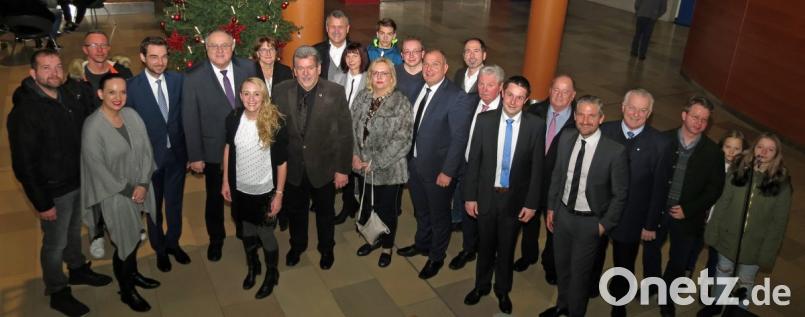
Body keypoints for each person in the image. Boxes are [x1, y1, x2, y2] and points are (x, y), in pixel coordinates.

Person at [7, 48, 111, 317]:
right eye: (46, 68)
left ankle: (76, 269)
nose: (54, 73)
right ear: (33, 73)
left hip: (79, 180)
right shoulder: (26, 112)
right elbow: (24, 165)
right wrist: (42, 203)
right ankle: (57, 290)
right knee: (54, 243)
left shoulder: (70, 94)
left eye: (57, 66)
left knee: (75, 229)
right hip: (54, 191)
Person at [462, 76, 545, 314]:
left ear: (526, 100)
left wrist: (531, 204)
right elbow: (474, 162)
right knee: (485, 245)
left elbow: (537, 169)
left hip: (514, 200)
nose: (513, 101)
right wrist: (470, 196)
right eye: (510, 94)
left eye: (520, 97)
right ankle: (481, 286)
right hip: (487, 197)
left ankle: (503, 290)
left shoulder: (535, 126)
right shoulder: (484, 120)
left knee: (507, 249)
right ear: (502, 93)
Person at [541, 95, 629, 317]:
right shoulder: (567, 137)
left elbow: (620, 195)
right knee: (562, 268)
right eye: (581, 114)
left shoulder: (614, 151)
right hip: (562, 216)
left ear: (601, 118)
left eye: (591, 115)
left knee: (579, 276)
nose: (585, 120)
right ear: (574, 116)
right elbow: (558, 175)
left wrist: (603, 225)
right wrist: (551, 207)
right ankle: (562, 306)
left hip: (590, 223)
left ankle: (575, 312)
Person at [81, 73, 161, 312]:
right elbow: (97, 169)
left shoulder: (131, 115)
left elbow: (147, 151)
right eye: (112, 92)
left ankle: (134, 275)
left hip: (140, 188)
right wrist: (131, 190)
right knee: (125, 244)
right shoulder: (93, 127)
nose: (118, 97)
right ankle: (126, 291)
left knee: (135, 237)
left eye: (122, 92)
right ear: (100, 94)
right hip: (115, 195)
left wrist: (144, 184)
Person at [272, 45, 353, 270]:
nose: (306, 73)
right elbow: (274, 132)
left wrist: (342, 169)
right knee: (297, 212)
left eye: (310, 68)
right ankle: (297, 246)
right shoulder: (280, 91)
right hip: (293, 169)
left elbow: (345, 134)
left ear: (319, 68)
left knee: (325, 214)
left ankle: (326, 249)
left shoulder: (335, 92)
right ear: (294, 70)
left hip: (324, 169)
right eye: (300, 68)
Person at [396, 49, 474, 280]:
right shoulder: (420, 86)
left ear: (446, 68)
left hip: (438, 171)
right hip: (416, 165)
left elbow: (460, 139)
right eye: (426, 64)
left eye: (435, 65)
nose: (429, 69)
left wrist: (448, 172)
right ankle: (422, 243)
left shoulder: (456, 96)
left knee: (440, 216)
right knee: (421, 210)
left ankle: (436, 256)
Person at [183, 30, 256, 262]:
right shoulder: (193, 77)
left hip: (247, 147)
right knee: (214, 198)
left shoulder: (249, 68)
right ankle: (216, 239)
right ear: (206, 48)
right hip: (213, 151)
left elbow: (261, 103)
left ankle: (247, 234)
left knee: (245, 194)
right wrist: (195, 155)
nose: (220, 50)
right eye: (214, 46)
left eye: (224, 45)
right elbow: (190, 118)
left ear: (233, 45)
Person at [648, 97, 725, 317]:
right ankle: (654, 284)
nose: (699, 123)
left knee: (679, 260)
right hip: (658, 210)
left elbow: (714, 189)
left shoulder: (713, 153)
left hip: (688, 217)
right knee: (651, 251)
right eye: (695, 116)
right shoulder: (662, 140)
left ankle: (667, 297)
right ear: (684, 115)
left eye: (704, 119)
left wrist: (689, 209)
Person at [699, 133, 792, 316]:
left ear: (776, 154)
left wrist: (768, 252)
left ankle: (737, 311)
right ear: (753, 149)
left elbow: (778, 223)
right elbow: (723, 204)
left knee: (745, 280)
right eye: (760, 147)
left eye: (770, 149)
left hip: (755, 245)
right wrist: (713, 231)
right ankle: (717, 304)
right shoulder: (739, 171)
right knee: (722, 273)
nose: (764, 152)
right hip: (728, 238)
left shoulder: (781, 183)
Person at [597, 89, 670, 316]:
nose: (636, 114)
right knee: (593, 256)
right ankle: (590, 287)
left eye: (642, 110)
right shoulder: (604, 131)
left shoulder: (660, 143)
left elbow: (659, 189)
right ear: (622, 107)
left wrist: (650, 225)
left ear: (649, 114)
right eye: (632, 108)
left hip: (631, 217)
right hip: (599, 213)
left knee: (624, 264)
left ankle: (619, 302)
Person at [126, 36, 190, 273]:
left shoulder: (179, 81)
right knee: (154, 209)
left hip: (177, 157)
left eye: (164, 56)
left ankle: (173, 243)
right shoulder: (131, 88)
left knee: (175, 203)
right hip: (149, 162)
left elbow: (186, 118)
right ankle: (160, 249)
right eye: (154, 57)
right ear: (142, 57)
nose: (160, 62)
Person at [222, 77, 288, 299]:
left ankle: (272, 273)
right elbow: (229, 149)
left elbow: (281, 163)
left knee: (265, 234)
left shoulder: (275, 122)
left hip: (264, 191)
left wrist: (279, 194)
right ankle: (253, 267)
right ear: (240, 96)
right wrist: (225, 181)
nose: (251, 98)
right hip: (240, 190)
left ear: (264, 96)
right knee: (247, 231)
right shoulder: (233, 118)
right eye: (246, 93)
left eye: (256, 93)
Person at [351, 58, 413, 267]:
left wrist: (375, 163)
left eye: (384, 73)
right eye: (375, 73)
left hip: (389, 170)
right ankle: (372, 239)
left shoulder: (401, 102)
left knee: (386, 211)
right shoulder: (362, 97)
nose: (379, 77)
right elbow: (352, 129)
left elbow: (402, 141)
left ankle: (387, 247)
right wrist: (354, 154)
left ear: (391, 77)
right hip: (363, 168)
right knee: (367, 206)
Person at [515, 75, 577, 284]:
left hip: (559, 188)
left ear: (573, 95)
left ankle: (550, 265)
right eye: (556, 90)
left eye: (565, 91)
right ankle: (528, 255)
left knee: (554, 229)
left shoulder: (579, 121)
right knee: (528, 222)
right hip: (531, 182)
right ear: (549, 90)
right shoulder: (534, 111)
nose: (559, 95)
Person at [448, 65, 505, 271]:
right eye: (481, 84)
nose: (484, 89)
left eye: (490, 85)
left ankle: (492, 253)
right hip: (466, 169)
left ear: (500, 87)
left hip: (492, 178)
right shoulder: (469, 103)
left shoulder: (507, 112)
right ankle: (468, 249)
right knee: (467, 212)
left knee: (491, 219)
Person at [692, 130, 747, 314]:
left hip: (721, 226)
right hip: (700, 220)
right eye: (727, 147)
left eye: (736, 149)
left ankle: (708, 291)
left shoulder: (742, 174)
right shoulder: (711, 166)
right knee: (691, 253)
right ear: (721, 147)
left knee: (714, 260)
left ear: (744, 151)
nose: (731, 152)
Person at [314, 10, 355, 81]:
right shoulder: (315, 52)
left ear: (347, 29)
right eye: (333, 27)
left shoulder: (358, 51)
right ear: (327, 28)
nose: (336, 31)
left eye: (340, 27)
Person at [395, 37, 426, 104]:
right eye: (407, 51)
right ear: (402, 55)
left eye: (415, 51)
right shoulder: (392, 73)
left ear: (422, 54)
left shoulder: (431, 75)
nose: (411, 55)